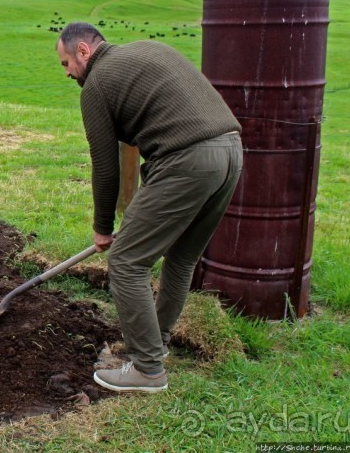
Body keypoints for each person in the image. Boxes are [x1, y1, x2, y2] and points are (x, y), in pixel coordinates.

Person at [56, 22, 242, 392]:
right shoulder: (148, 50)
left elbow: (106, 167)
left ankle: (147, 369)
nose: (67, 74)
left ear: (83, 50)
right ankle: (157, 344)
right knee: (182, 257)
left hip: (187, 161)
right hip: (230, 153)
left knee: (126, 262)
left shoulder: (96, 85)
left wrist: (102, 227)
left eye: (65, 64)